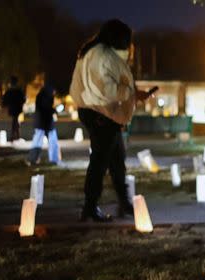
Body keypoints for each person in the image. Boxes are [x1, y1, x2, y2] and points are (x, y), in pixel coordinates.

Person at [70, 19, 153, 222]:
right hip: (102, 114)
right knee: (101, 161)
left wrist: (133, 94)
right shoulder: (103, 56)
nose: (129, 44)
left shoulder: (93, 53)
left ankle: (122, 203)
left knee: (116, 160)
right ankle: (90, 206)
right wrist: (131, 92)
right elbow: (107, 89)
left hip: (98, 113)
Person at [26, 84, 62, 166]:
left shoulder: (41, 95)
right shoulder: (47, 96)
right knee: (51, 141)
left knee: (38, 141)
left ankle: (33, 159)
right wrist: (54, 110)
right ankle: (54, 159)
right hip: (45, 121)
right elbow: (47, 108)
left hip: (41, 121)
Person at [1, 76, 26, 141]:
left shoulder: (10, 91)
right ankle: (15, 135)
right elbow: (22, 99)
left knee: (15, 120)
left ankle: (14, 135)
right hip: (17, 108)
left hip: (13, 108)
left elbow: (5, 100)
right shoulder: (18, 91)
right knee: (15, 120)